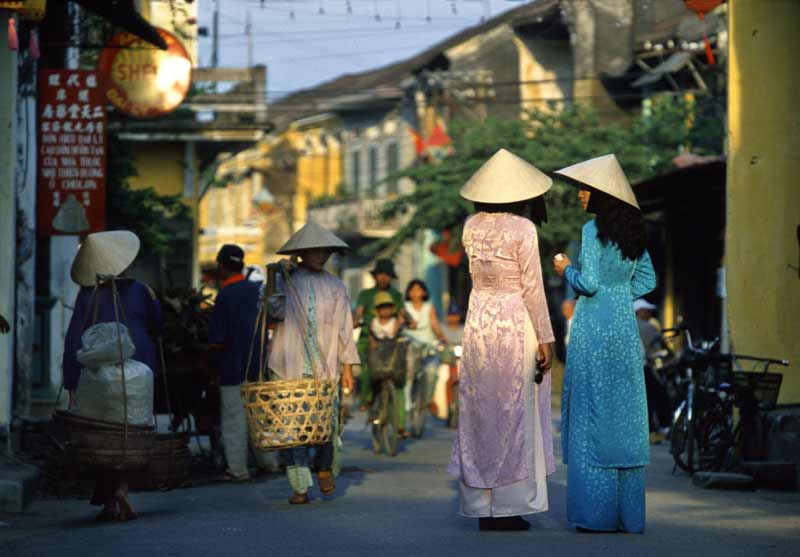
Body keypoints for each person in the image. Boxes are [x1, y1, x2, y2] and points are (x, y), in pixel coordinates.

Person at [447, 148, 555, 532]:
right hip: (513, 323)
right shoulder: (523, 229)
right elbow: (533, 287)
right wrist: (546, 338)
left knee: (481, 412)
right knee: (516, 410)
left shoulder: (470, 226)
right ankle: (510, 506)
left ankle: (482, 504)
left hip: (479, 324)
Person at [553, 154, 656, 533]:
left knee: (590, 413)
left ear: (601, 195)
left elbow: (589, 284)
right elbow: (646, 281)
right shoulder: (634, 233)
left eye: (585, 189)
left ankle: (596, 516)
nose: (580, 195)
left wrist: (567, 270)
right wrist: (619, 294)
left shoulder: (591, 231)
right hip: (623, 327)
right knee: (625, 416)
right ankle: (629, 517)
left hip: (594, 327)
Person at [63, 230, 161, 522]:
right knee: (131, 433)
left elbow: (74, 339)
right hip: (138, 372)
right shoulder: (142, 291)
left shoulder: (87, 295)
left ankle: (109, 498)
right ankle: (123, 489)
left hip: (98, 376)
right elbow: (157, 326)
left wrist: (70, 381)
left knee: (102, 434)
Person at [267, 220, 359, 505]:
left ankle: (322, 468)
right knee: (293, 430)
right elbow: (273, 310)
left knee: (325, 426)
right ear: (301, 254)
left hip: (325, 368)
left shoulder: (336, 286)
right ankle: (299, 487)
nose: (320, 257)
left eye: (324, 253)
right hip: (290, 367)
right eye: (314, 252)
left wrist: (347, 368)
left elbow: (345, 329)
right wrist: (273, 277)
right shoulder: (288, 281)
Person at [208, 244, 273, 482]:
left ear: (222, 266)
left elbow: (217, 338)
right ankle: (269, 463)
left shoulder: (225, 294)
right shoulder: (256, 291)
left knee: (235, 420)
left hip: (233, 368)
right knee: (261, 418)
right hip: (259, 367)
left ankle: (238, 469)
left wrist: (213, 365)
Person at [353, 259, 404, 409]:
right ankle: (366, 399)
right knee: (367, 371)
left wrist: (409, 321)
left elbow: (402, 313)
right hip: (367, 339)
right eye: (381, 274)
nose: (383, 278)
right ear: (375, 276)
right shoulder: (366, 294)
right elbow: (359, 311)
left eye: (387, 275)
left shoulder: (396, 295)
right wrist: (355, 321)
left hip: (390, 339)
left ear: (391, 277)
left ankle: (397, 420)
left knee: (397, 374)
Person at [403, 279, 448, 418]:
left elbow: (434, 323)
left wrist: (442, 336)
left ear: (424, 292)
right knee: (408, 373)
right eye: (413, 289)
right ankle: (406, 404)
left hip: (428, 345)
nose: (416, 292)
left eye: (418, 289)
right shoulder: (405, 307)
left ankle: (428, 400)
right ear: (409, 293)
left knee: (432, 371)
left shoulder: (429, 307)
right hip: (409, 345)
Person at [634, 299, 671, 442]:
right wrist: (670, 353)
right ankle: (658, 428)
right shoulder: (646, 326)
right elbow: (661, 343)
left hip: (632, 368)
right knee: (656, 395)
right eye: (646, 310)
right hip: (642, 367)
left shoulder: (624, 324)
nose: (649, 312)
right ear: (640, 312)